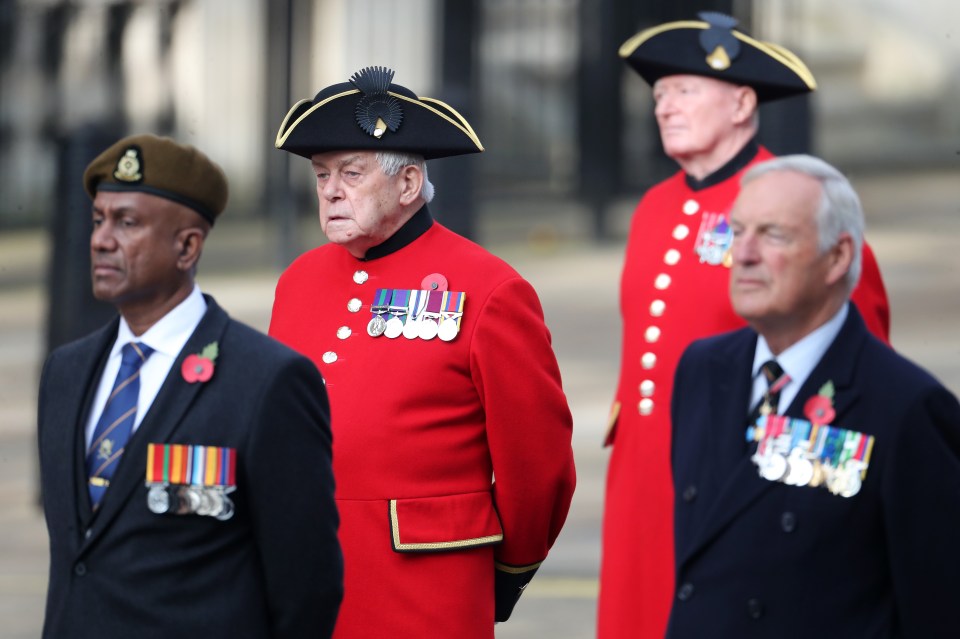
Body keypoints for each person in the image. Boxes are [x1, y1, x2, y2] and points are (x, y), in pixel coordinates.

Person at [597, 12, 892, 638]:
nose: (665, 107)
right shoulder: (655, 207)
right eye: (659, 95)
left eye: (684, 91)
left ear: (742, 102)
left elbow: (856, 374)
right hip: (643, 484)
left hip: (745, 477)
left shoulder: (800, 205)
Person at [268, 66, 576, 638]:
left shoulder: (489, 288)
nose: (331, 190)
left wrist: (506, 572)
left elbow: (537, 463)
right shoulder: (299, 280)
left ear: (408, 184)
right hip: (305, 583)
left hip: (426, 589)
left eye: (351, 174)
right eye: (321, 174)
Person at [37, 134, 343, 638]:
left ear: (187, 247)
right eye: (98, 220)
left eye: (127, 222)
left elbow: (307, 585)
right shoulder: (66, 373)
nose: (101, 240)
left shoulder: (264, 381)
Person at [668, 154, 960, 637]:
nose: (742, 254)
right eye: (738, 232)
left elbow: (939, 608)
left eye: (773, 234)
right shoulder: (702, 369)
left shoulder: (905, 407)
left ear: (838, 257)